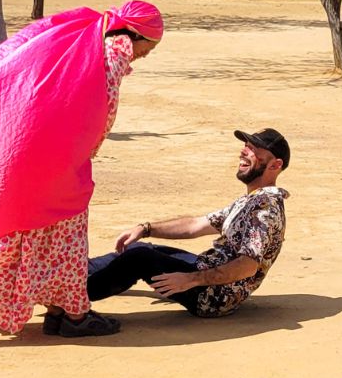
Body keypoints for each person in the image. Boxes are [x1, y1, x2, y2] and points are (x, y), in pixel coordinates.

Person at [0, 1, 164, 337]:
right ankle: (75, 316)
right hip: (59, 159)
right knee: (67, 236)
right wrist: (86, 152)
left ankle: (59, 309)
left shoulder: (83, 38)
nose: (146, 54)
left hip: (34, 150)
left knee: (41, 232)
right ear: (135, 36)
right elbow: (103, 110)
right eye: (149, 47)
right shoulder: (114, 51)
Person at [76, 128, 290, 327]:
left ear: (275, 165)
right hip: (208, 270)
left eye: (253, 149)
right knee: (141, 249)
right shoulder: (251, 200)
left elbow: (248, 265)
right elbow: (196, 225)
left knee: (139, 258)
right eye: (246, 146)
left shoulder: (265, 208)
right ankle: (72, 275)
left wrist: (190, 280)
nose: (244, 151)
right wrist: (146, 228)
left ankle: (70, 297)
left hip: (214, 296)